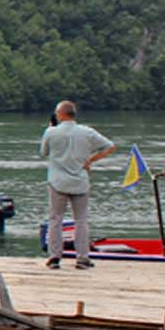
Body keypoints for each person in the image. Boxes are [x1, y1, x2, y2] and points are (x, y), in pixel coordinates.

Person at [39, 99, 115, 269]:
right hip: (80, 181)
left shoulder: (51, 132)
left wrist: (50, 129)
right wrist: (90, 160)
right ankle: (82, 257)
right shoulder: (87, 132)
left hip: (57, 181)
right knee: (81, 220)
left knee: (55, 219)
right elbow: (110, 146)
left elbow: (43, 152)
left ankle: (54, 257)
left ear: (60, 114)